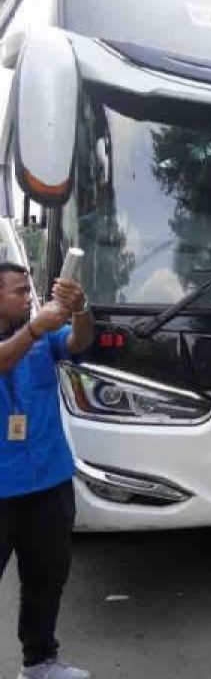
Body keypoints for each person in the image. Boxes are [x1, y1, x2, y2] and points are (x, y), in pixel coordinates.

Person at [0, 262, 95, 679]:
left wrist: (80, 308)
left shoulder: (41, 337)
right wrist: (35, 328)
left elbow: (79, 341)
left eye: (29, 290)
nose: (28, 297)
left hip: (50, 481)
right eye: (19, 291)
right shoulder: (30, 334)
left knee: (46, 579)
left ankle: (39, 663)